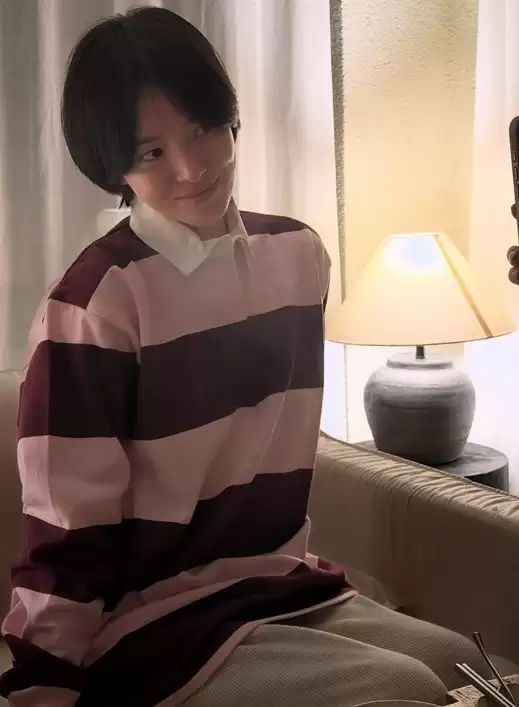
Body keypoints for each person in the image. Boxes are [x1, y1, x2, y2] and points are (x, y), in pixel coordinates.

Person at [0, 7, 490, 707]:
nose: (192, 166)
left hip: (276, 584)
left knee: (469, 665)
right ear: (114, 166)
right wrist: (41, 687)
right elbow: (68, 531)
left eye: (202, 128)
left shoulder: (298, 256)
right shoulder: (95, 303)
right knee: (403, 687)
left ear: (230, 117)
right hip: (145, 629)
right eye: (151, 152)